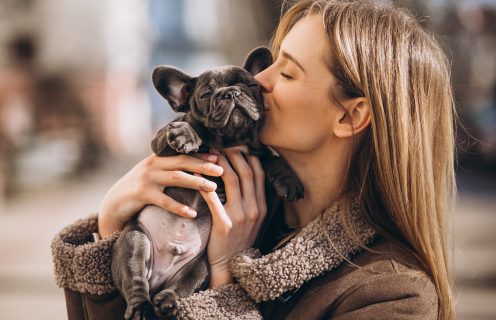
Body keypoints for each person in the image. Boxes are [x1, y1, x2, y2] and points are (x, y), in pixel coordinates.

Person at [51, 0, 456, 319]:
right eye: (272, 62)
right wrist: (112, 230)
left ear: (350, 116)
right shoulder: (248, 211)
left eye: (289, 73)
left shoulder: (392, 295)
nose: (258, 80)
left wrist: (224, 279)